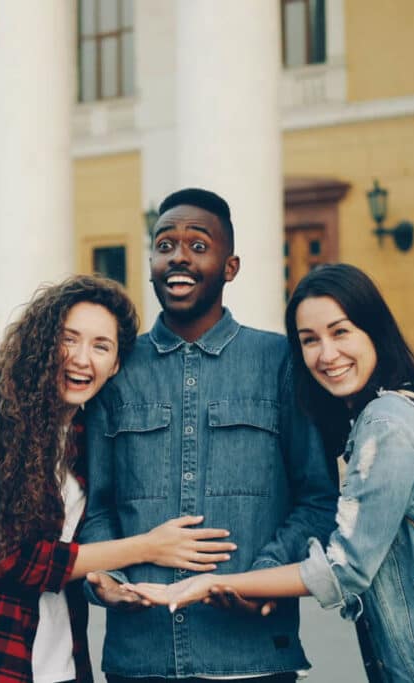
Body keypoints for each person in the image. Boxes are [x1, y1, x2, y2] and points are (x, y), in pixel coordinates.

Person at [131, 263, 414, 682]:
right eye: (309, 340)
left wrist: (217, 583)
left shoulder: (387, 425)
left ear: (374, 331)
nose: (326, 354)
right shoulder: (404, 412)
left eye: (340, 332)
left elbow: (344, 567)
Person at [80, 188, 339, 682]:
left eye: (198, 246)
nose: (178, 256)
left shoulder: (280, 362)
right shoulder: (118, 368)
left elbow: (318, 498)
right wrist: (109, 581)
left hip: (253, 660)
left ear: (230, 266)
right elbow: (99, 506)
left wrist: (258, 579)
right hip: (141, 660)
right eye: (164, 245)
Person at [0, 275, 236, 683]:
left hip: (61, 657)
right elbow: (23, 560)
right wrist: (148, 547)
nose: (81, 358)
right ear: (40, 344)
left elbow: (87, 535)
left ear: (117, 364)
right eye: (68, 339)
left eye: (100, 346)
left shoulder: (82, 434)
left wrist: (112, 581)